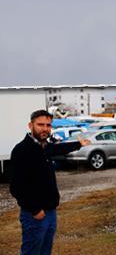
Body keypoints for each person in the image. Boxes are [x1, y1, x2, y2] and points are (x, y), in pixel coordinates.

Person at [9, 109, 91, 255]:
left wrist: (78, 144)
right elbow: (16, 187)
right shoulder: (22, 150)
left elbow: (58, 149)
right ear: (30, 125)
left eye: (48, 125)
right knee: (32, 252)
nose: (45, 129)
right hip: (34, 214)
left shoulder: (44, 146)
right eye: (40, 125)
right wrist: (35, 209)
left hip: (50, 211)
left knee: (46, 251)